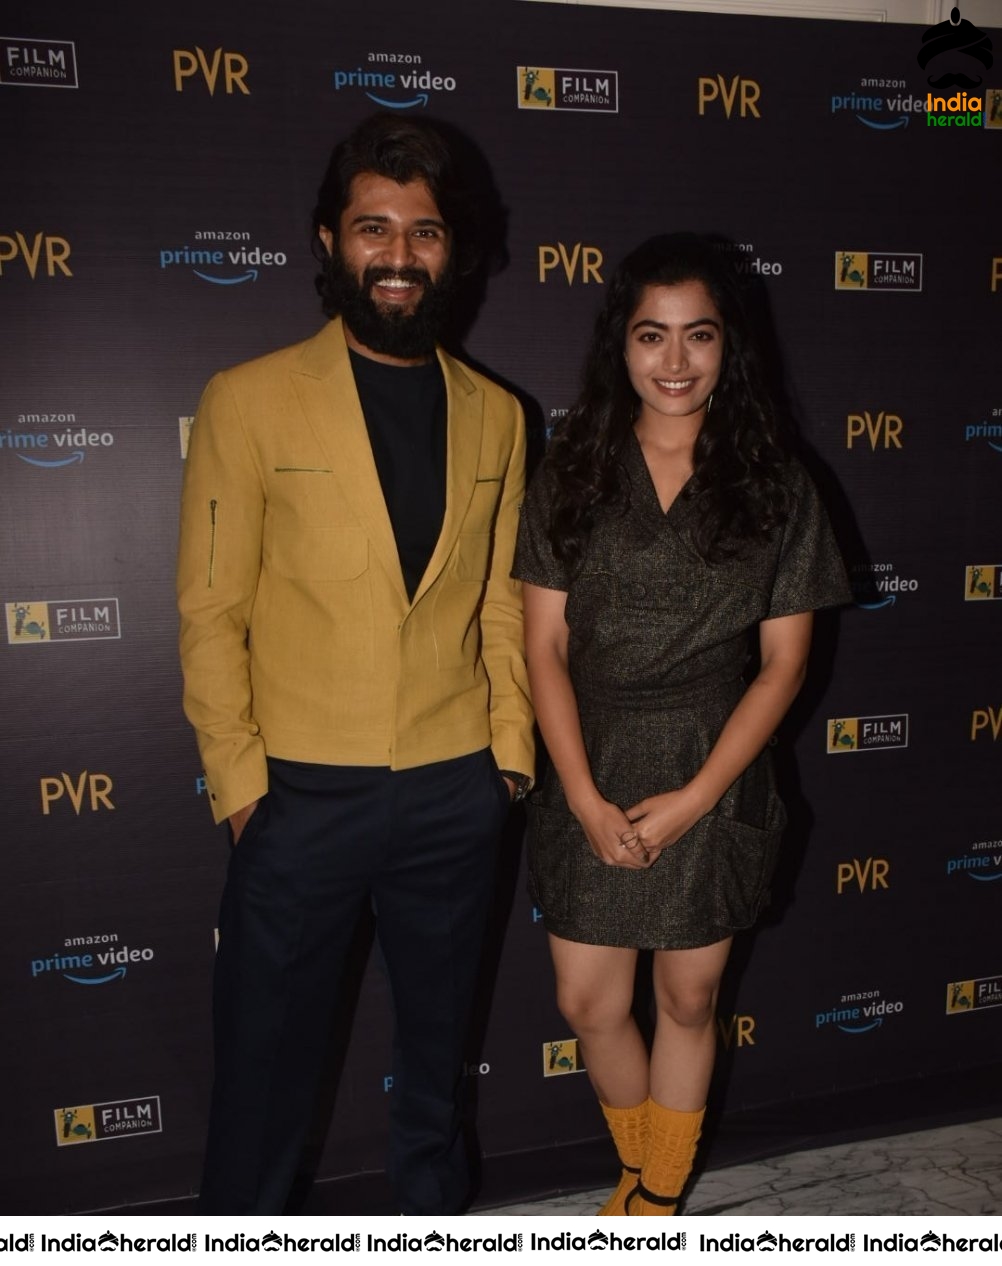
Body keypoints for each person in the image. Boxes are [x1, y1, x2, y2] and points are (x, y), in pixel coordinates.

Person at [176, 114, 534, 1215]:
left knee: (435, 1076)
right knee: (263, 1084)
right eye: (373, 227)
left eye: (423, 232)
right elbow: (208, 612)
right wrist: (245, 797)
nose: (398, 254)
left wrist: (506, 764)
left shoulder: (501, 417)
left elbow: (501, 605)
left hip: (453, 787)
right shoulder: (248, 397)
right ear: (329, 240)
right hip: (298, 799)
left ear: (453, 251)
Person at [513, 233, 850, 1216]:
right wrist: (579, 794)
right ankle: (639, 1164)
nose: (673, 361)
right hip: (592, 755)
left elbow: (786, 664)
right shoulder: (569, 472)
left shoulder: (780, 483)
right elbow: (543, 649)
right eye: (650, 335)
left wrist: (699, 797)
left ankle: (654, 1199)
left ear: (727, 347)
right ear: (619, 345)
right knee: (589, 1004)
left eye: (696, 336)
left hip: (719, 761)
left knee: (689, 1000)